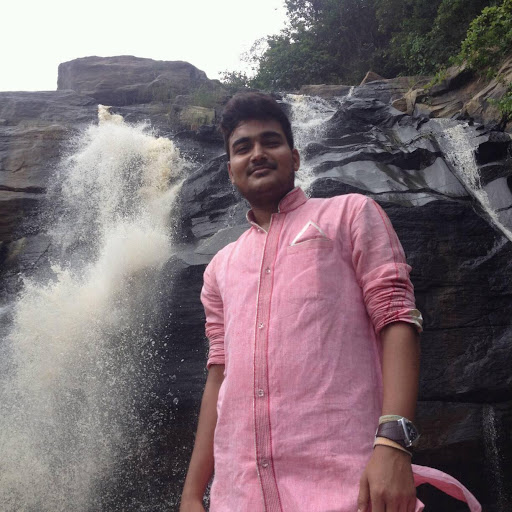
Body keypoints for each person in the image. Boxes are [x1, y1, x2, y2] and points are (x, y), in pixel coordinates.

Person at [179, 93, 478, 512]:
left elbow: (397, 319)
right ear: (230, 170)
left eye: (271, 141)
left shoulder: (350, 214)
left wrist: (394, 444)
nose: (258, 153)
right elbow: (218, 376)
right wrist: (193, 494)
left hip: (349, 489)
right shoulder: (219, 268)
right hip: (238, 496)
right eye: (243, 147)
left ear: (295, 158)